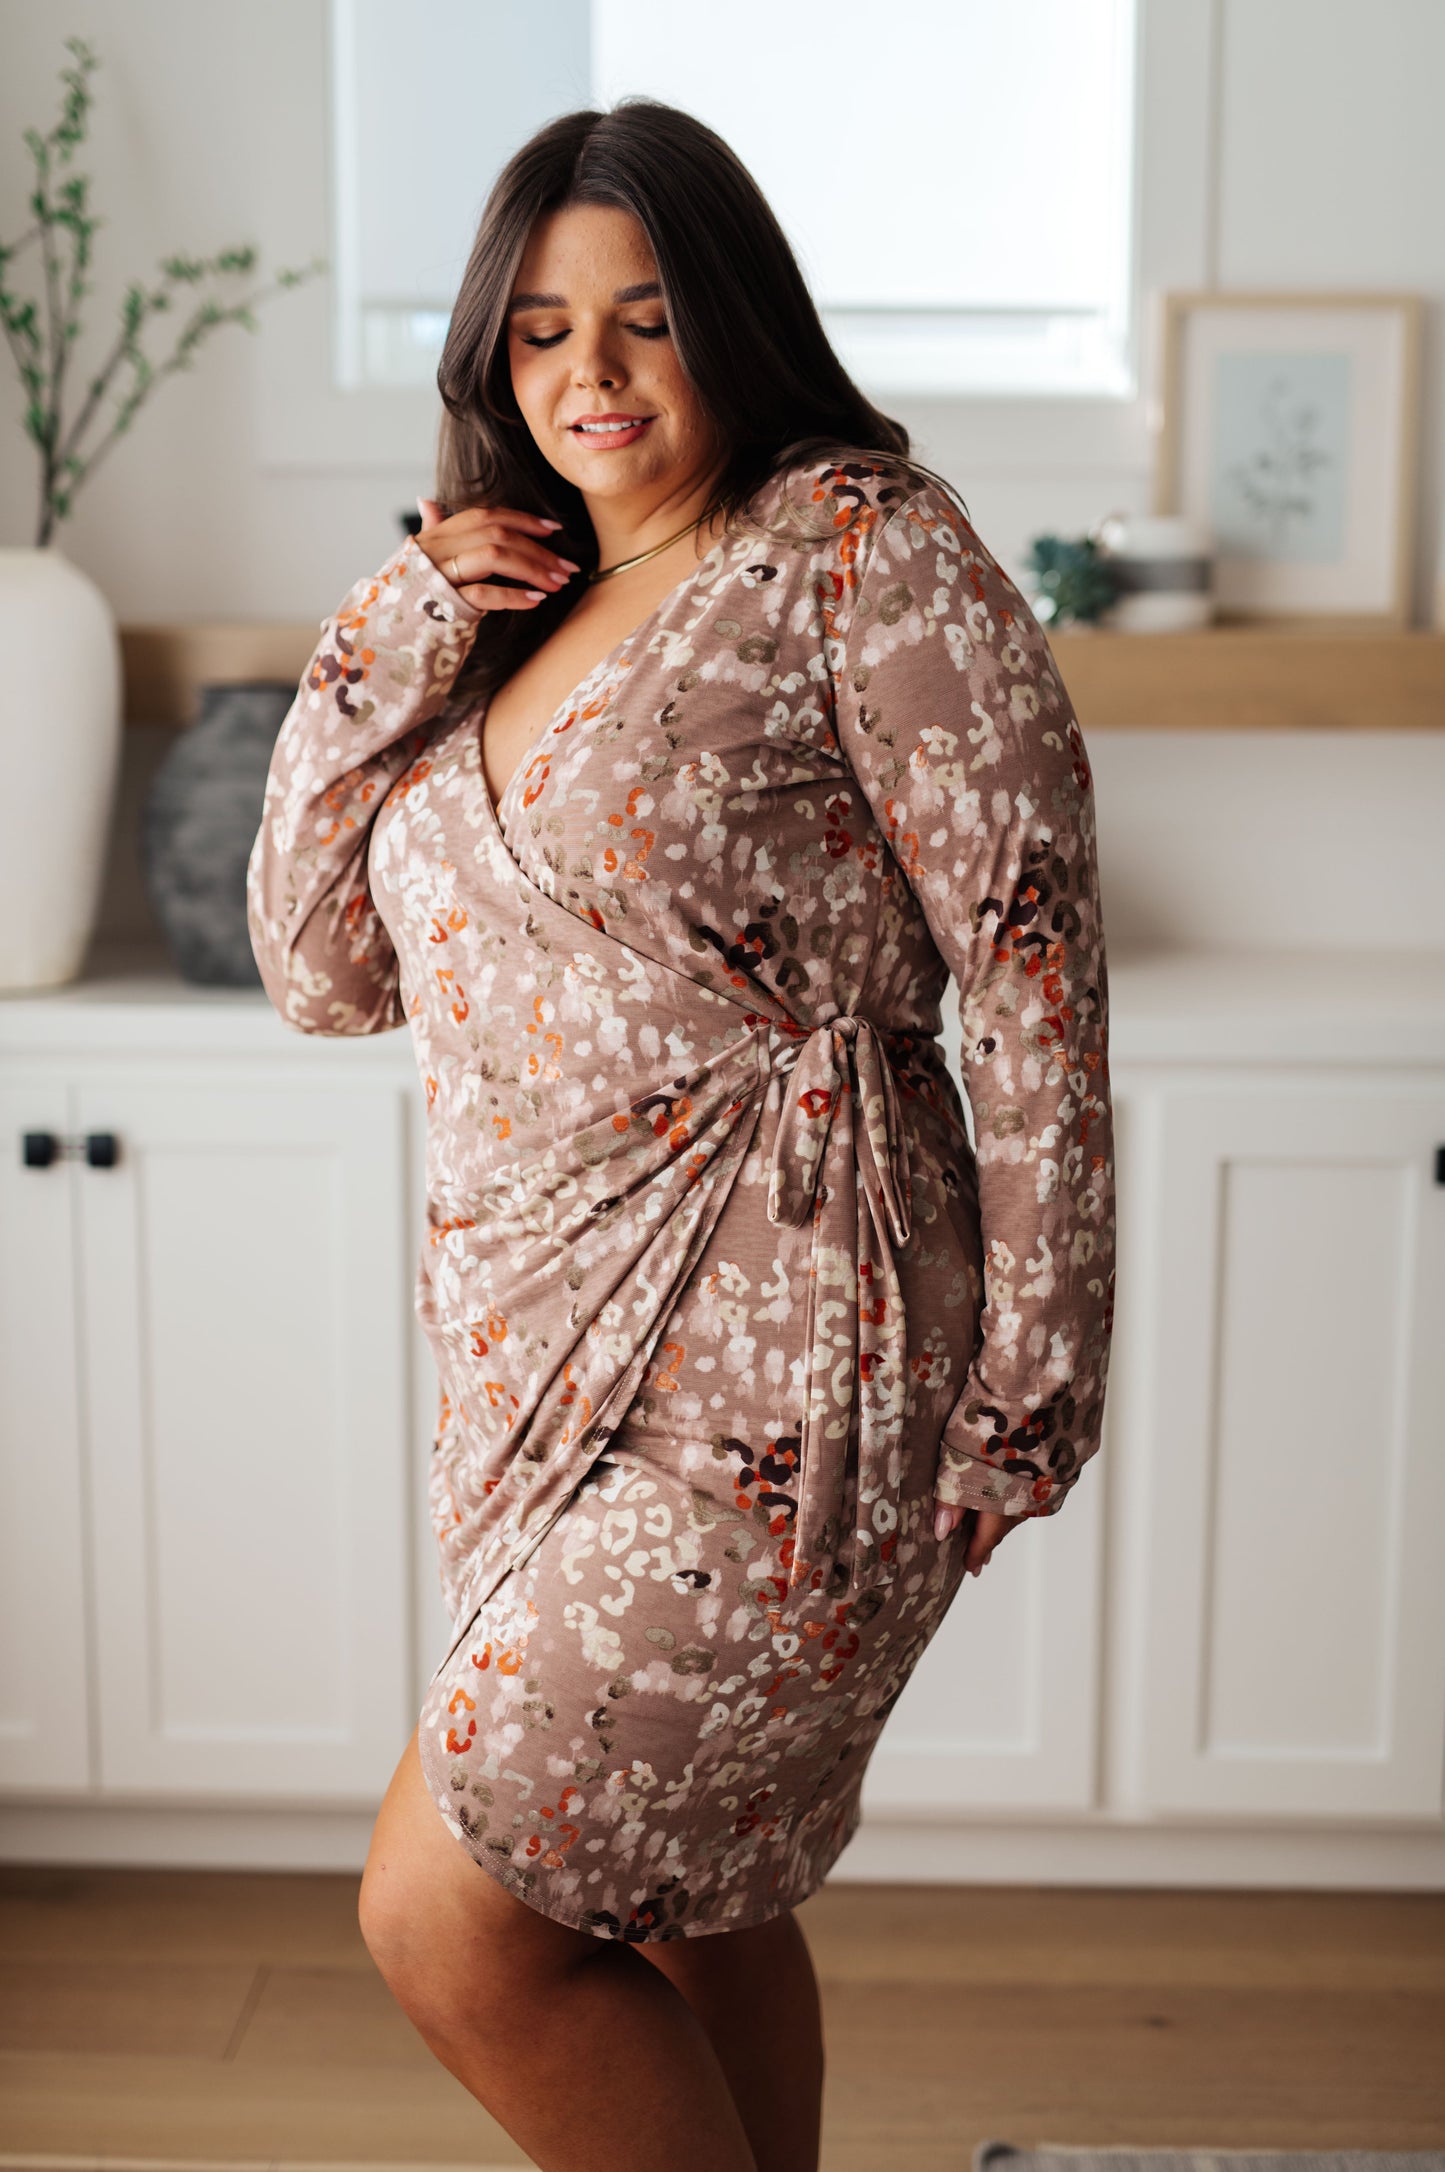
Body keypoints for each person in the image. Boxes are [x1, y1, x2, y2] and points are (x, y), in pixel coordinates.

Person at [246, 96, 1114, 2172]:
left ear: (735, 316)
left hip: (798, 1356)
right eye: (543, 331)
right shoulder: (500, 604)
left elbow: (1030, 965)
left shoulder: (859, 550)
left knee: (449, 1918)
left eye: (646, 317)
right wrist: (388, 626)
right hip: (529, 1357)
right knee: (683, 1898)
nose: (596, 376)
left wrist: (1040, 1372)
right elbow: (320, 966)